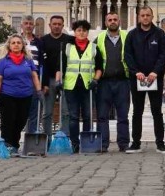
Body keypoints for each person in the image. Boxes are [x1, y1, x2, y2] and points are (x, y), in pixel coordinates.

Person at [124, 6, 165, 154]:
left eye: (148, 15)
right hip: (137, 78)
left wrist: (155, 72)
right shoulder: (132, 35)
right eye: (142, 15)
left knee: (157, 111)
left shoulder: (160, 34)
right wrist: (136, 72)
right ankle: (136, 143)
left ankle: (160, 143)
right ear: (139, 17)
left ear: (152, 16)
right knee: (137, 111)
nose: (145, 18)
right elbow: (128, 55)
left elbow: (164, 54)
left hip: (154, 78)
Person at [0, 35, 41, 154]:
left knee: (21, 121)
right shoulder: (3, 61)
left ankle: (14, 143)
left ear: (23, 46)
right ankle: (9, 145)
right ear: (9, 46)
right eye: (13, 43)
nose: (16, 45)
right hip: (8, 95)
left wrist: (39, 90)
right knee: (8, 121)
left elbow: (34, 76)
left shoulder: (28, 60)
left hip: (25, 95)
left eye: (18, 43)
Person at [61, 20, 103, 153]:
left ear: (87, 32)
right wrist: (59, 81)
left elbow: (99, 67)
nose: (81, 33)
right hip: (71, 86)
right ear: (75, 32)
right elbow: (61, 66)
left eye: (84, 30)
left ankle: (86, 142)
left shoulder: (94, 48)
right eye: (79, 30)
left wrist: (96, 80)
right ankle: (74, 143)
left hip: (87, 86)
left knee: (87, 115)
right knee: (73, 116)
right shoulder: (67, 47)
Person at [95, 12, 131, 153]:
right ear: (105, 22)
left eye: (115, 19)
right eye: (110, 20)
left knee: (123, 115)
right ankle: (103, 144)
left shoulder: (127, 38)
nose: (112, 22)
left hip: (123, 81)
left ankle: (123, 144)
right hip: (104, 82)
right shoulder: (99, 39)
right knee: (102, 115)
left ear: (119, 21)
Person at [36, 15, 74, 145]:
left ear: (63, 26)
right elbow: (42, 63)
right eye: (54, 24)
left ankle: (64, 138)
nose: (57, 26)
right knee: (47, 112)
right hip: (49, 80)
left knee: (65, 112)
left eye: (59, 24)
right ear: (50, 25)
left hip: (65, 79)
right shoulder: (43, 41)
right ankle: (47, 139)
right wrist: (44, 83)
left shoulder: (69, 40)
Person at [20, 16, 43, 134]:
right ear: (22, 25)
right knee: (19, 110)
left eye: (30, 24)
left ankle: (32, 136)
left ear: (34, 26)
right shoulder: (16, 41)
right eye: (26, 23)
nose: (28, 26)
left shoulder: (39, 42)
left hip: (34, 80)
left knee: (34, 110)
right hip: (19, 80)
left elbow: (42, 62)